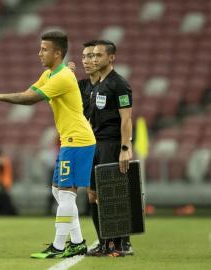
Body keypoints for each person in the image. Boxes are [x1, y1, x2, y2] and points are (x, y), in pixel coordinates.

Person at [0, 30, 96, 259]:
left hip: (78, 140)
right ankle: (78, 242)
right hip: (69, 140)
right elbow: (27, 92)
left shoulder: (61, 77)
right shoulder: (50, 74)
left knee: (66, 193)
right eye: (40, 48)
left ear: (58, 53)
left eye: (44, 49)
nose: (39, 53)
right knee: (57, 190)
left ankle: (59, 246)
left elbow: (30, 99)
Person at [86, 40, 134, 257]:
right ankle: (104, 243)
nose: (94, 59)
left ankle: (120, 244)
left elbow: (126, 118)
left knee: (111, 193)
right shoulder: (97, 85)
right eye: (92, 55)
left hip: (111, 144)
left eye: (99, 55)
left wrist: (125, 147)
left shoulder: (119, 84)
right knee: (92, 194)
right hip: (95, 144)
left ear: (111, 58)